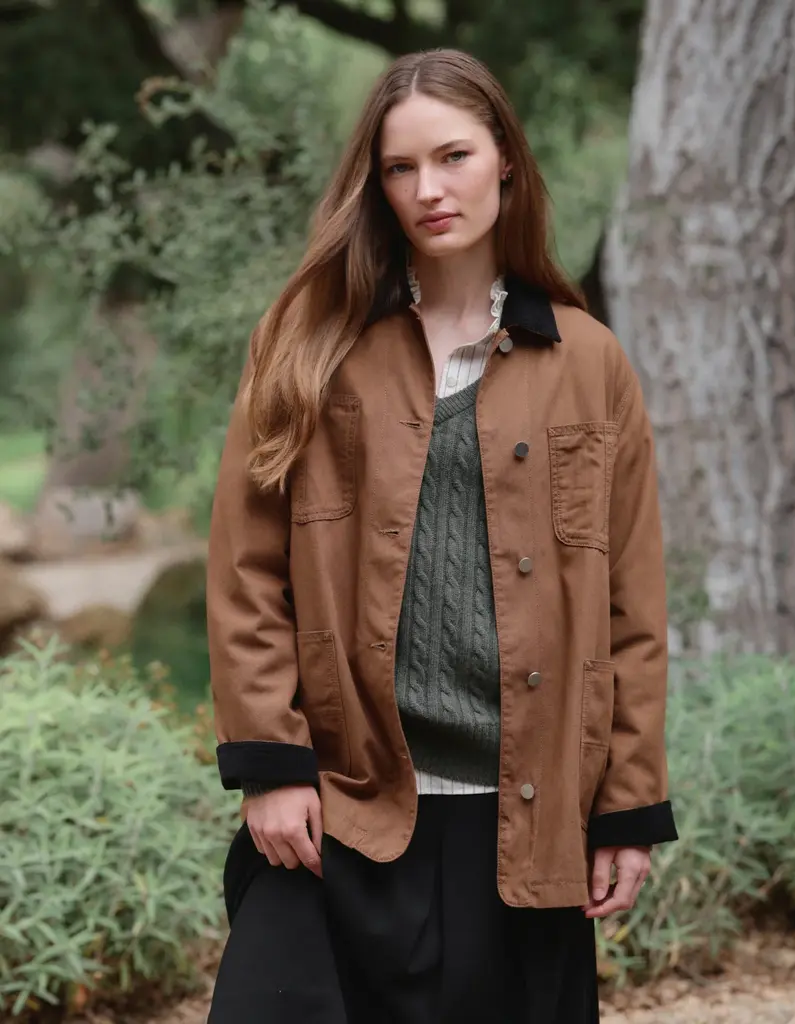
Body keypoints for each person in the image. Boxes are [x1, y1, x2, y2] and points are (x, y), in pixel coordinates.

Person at [204, 47, 678, 1024]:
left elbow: (632, 609)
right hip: (340, 807)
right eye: (399, 167)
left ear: (504, 159)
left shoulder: (589, 361)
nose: (428, 189)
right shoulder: (308, 341)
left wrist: (626, 808)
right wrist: (270, 764)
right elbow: (247, 568)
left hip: (524, 825)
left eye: (452, 156)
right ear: (374, 185)